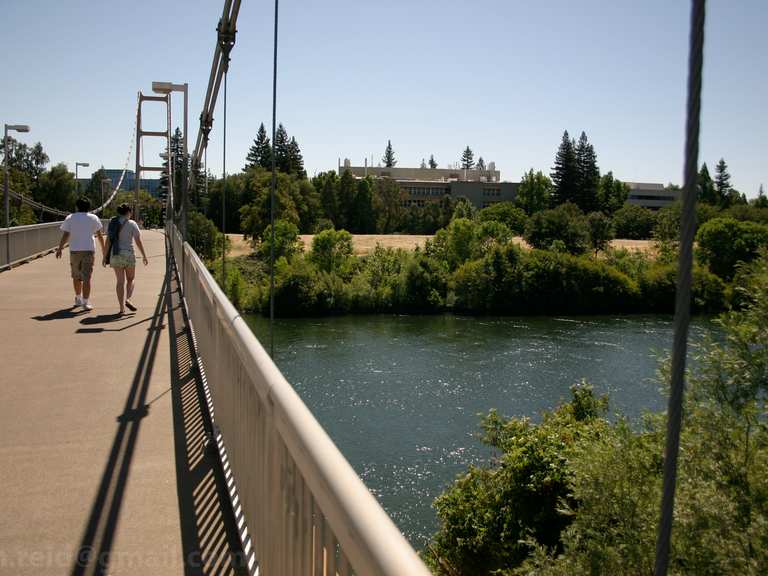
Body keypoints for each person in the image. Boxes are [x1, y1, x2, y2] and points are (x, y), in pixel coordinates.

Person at [55, 197, 106, 311]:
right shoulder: (94, 218)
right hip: (89, 250)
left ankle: (78, 298)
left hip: (74, 250)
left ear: (77, 207)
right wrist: (103, 249)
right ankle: (86, 302)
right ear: (89, 207)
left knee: (76, 276)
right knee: (87, 277)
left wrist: (60, 248)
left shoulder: (70, 218)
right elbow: (100, 235)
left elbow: (65, 235)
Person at [104, 203, 148, 314]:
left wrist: (105, 257)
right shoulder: (132, 224)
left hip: (115, 254)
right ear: (128, 212)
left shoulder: (112, 223)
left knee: (120, 282)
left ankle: (121, 309)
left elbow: (108, 241)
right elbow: (138, 241)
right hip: (128, 254)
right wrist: (144, 255)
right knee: (131, 279)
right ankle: (128, 299)